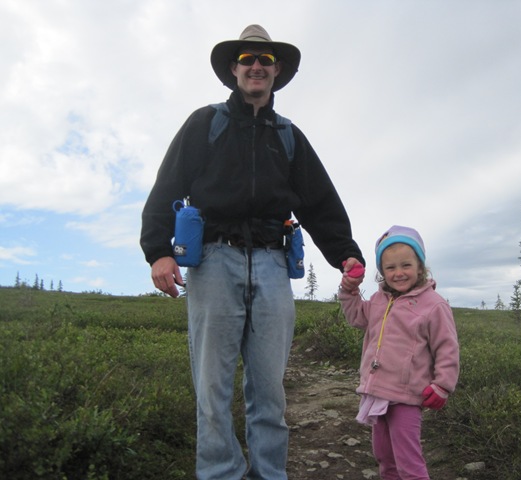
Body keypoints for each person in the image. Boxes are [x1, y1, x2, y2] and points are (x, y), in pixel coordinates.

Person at [140, 25, 365, 480]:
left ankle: (269, 472)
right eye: (247, 58)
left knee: (270, 388)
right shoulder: (205, 123)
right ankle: (221, 472)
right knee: (213, 386)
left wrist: (345, 252)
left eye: (265, 59)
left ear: (277, 70)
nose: (256, 66)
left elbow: (319, 202)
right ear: (234, 69)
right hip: (213, 261)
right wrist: (158, 251)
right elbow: (168, 186)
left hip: (272, 263)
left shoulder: (289, 135)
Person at [338, 225, 459, 480]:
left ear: (420, 267)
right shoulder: (378, 300)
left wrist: (442, 385)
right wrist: (349, 290)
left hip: (406, 397)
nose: (399, 273)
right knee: (384, 456)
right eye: (390, 267)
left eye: (406, 265)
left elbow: (447, 347)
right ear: (382, 272)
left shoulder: (434, 305)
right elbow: (356, 316)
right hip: (378, 393)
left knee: (408, 462)